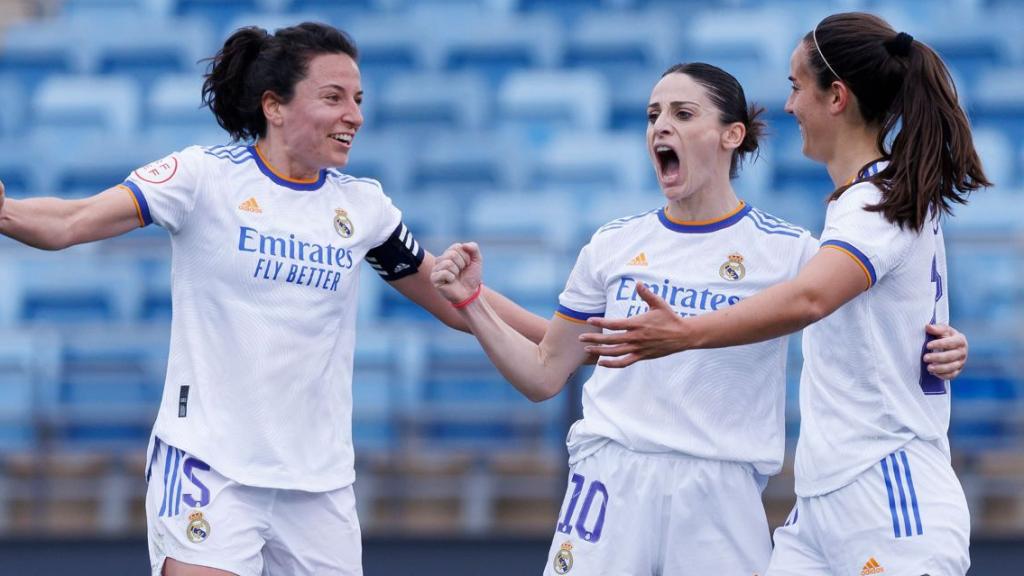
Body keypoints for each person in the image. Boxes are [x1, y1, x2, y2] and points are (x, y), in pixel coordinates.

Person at [0, 22, 545, 576]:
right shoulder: (201, 178)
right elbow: (71, 221)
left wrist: (561, 339)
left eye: (358, 99)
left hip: (319, 484)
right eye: (333, 98)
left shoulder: (365, 208)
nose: (354, 115)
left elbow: (455, 299)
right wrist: (6, 213)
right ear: (274, 106)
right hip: (209, 467)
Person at [430, 61, 968, 575]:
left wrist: (943, 342)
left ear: (732, 135)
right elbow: (545, 371)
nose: (662, 126)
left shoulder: (790, 253)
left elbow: (870, 307)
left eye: (683, 114)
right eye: (652, 116)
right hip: (613, 480)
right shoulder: (613, 245)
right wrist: (471, 303)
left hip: (721, 494)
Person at [579, 13, 988, 576]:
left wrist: (685, 334)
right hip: (822, 504)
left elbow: (808, 300)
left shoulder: (877, 202)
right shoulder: (872, 198)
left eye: (797, 87)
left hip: (887, 491)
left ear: (836, 97)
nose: (789, 105)